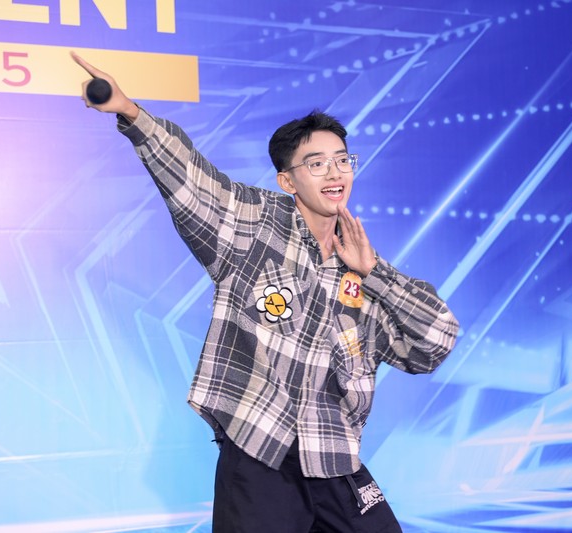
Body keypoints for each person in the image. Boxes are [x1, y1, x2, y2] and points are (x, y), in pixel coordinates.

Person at [72, 52, 459, 533]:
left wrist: (376, 271)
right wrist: (131, 114)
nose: (335, 173)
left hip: (333, 455)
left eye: (342, 160)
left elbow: (436, 341)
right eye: (316, 164)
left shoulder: (362, 267)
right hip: (261, 448)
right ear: (287, 180)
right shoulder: (255, 225)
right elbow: (194, 181)